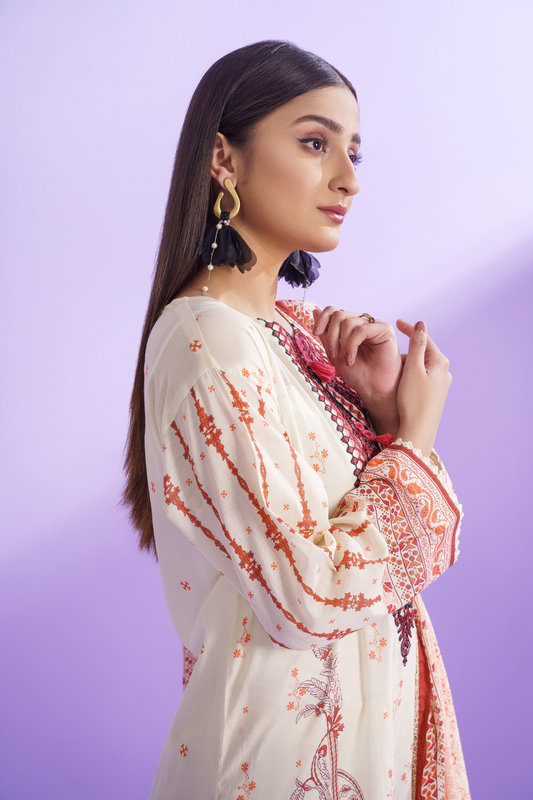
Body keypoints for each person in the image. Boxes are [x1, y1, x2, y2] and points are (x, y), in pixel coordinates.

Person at [123, 40, 470, 800]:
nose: (346, 178)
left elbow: (338, 541)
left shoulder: (289, 338)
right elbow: (307, 595)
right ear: (224, 158)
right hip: (279, 764)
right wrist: (413, 441)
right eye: (314, 144)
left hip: (361, 739)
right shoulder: (205, 339)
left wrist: (377, 414)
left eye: (352, 152)